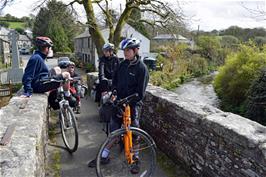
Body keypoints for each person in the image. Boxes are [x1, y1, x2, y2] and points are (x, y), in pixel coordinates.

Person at [88, 38, 149, 175]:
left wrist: (128, 101)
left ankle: (135, 159)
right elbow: (115, 82)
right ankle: (104, 156)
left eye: (128, 50)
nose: (125, 53)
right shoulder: (122, 65)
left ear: (136, 50)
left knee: (134, 134)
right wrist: (114, 92)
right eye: (124, 50)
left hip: (133, 106)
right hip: (119, 103)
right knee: (114, 132)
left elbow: (140, 93)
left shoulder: (142, 69)